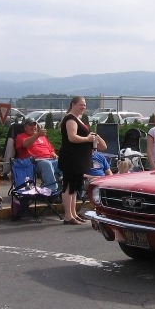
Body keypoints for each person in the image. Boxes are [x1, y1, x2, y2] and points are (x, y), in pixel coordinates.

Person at [59, 96, 102, 224]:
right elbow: (72, 137)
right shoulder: (70, 119)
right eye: (81, 105)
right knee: (68, 186)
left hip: (79, 158)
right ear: (73, 104)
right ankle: (68, 215)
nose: (83, 107)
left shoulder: (78, 119)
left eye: (84, 105)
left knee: (74, 187)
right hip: (71, 157)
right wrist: (88, 139)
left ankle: (73, 214)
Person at [15, 118, 61, 193]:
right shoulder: (21, 136)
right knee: (46, 164)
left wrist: (52, 153)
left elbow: (50, 149)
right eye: (31, 125)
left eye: (35, 124)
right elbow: (25, 144)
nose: (33, 127)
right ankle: (52, 191)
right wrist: (38, 134)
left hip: (50, 159)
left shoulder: (43, 137)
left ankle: (69, 189)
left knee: (65, 163)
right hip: (34, 162)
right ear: (25, 127)